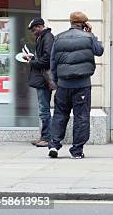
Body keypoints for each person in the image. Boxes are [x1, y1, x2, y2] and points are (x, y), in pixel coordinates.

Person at [48, 11, 104, 159]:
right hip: (82, 85)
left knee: (59, 114)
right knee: (81, 117)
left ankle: (54, 145)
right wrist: (92, 34)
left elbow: (52, 62)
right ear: (84, 24)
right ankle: (77, 150)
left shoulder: (58, 38)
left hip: (63, 84)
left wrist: (56, 81)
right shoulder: (88, 37)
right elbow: (99, 51)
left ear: (71, 22)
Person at [25, 18, 55, 148]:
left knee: (44, 110)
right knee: (43, 109)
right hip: (42, 79)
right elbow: (44, 58)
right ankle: (45, 137)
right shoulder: (43, 37)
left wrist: (31, 62)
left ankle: (47, 138)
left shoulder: (47, 37)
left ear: (39, 26)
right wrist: (33, 58)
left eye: (33, 29)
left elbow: (47, 60)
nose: (33, 32)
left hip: (44, 80)